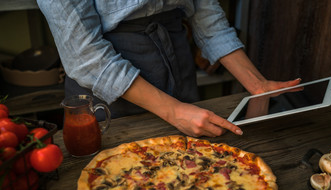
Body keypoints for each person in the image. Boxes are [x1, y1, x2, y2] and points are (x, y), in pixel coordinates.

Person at [37, 1, 300, 137]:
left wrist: (256, 85)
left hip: (176, 59)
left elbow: (206, 14)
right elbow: (84, 54)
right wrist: (174, 111)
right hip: (108, 84)